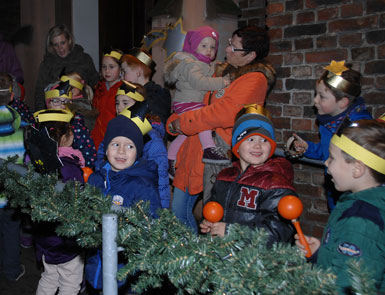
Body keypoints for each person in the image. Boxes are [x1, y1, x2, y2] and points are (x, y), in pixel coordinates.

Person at [167, 25, 276, 233]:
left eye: (233, 48)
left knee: (211, 219)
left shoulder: (254, 79)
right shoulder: (220, 73)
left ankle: (194, 260)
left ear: (250, 55)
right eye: (228, 44)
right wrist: (174, 122)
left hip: (217, 157)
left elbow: (222, 113)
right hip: (192, 152)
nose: (226, 50)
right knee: (178, 213)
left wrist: (182, 122)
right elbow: (193, 102)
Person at [295, 119, 385, 294]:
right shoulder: (361, 203)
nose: (326, 163)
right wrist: (320, 254)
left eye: (332, 158)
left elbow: (349, 286)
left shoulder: (360, 220)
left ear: (357, 169)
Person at [200, 105, 295, 245]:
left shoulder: (276, 184)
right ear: (237, 145)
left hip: (256, 262)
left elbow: (279, 233)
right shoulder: (224, 177)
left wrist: (231, 232)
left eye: (264, 140)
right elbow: (213, 208)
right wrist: (209, 224)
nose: (258, 146)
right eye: (250, 139)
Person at [287, 60, 372, 210]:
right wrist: (308, 148)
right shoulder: (329, 123)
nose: (315, 100)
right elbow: (327, 153)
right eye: (316, 94)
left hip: (356, 197)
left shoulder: (358, 128)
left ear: (343, 102)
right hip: (336, 190)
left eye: (322, 96)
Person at [30, 109, 85, 295]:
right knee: (70, 282)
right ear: (64, 137)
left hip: (44, 239)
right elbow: (77, 202)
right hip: (65, 242)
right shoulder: (69, 167)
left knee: (49, 276)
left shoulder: (35, 163)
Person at [164, 26, 231, 172]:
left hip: (188, 102)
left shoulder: (199, 63)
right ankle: (209, 149)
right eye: (204, 45)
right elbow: (199, 82)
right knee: (203, 119)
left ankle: (169, 159)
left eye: (213, 47)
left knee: (185, 134)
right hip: (188, 102)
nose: (209, 50)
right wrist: (222, 82)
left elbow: (205, 71)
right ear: (194, 46)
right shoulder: (190, 64)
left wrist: (215, 66)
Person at [88, 112, 161, 214]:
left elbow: (152, 224)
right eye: (115, 144)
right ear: (106, 150)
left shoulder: (143, 186)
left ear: (137, 153)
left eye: (129, 146)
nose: (121, 151)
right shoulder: (95, 179)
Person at [0, 72, 28, 282]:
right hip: (12, 188)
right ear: (11, 96)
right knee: (10, 232)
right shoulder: (18, 120)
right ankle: (11, 270)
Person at [34, 24, 99, 111]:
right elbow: (40, 93)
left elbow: (96, 85)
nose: (60, 48)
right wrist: (41, 114)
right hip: (56, 112)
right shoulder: (46, 64)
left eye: (63, 43)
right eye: (55, 45)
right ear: (51, 46)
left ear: (69, 41)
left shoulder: (84, 59)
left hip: (81, 111)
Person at [45, 80, 97, 168]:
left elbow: (90, 158)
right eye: (56, 101)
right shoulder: (42, 126)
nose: (62, 106)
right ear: (48, 104)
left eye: (66, 102)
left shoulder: (78, 128)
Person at [120, 48, 171, 127]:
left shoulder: (157, 96)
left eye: (124, 72)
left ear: (138, 72)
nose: (121, 77)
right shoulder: (133, 94)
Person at [91, 49, 123, 149]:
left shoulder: (123, 90)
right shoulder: (99, 88)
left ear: (121, 69)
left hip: (115, 139)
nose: (107, 71)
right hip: (96, 139)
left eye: (111, 67)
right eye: (104, 67)